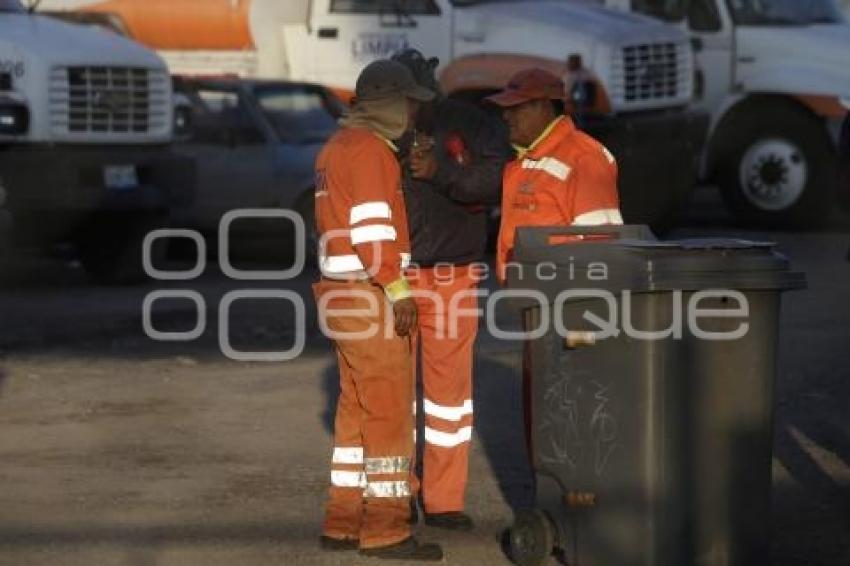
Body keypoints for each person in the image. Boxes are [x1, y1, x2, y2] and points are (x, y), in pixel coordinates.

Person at [313, 59, 443, 561]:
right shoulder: (371, 152)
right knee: (388, 411)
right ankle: (387, 530)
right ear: (388, 104)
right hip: (370, 296)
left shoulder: (334, 148)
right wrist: (398, 289)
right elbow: (373, 234)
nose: (413, 112)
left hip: (339, 294)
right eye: (409, 102)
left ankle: (342, 522)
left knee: (355, 413)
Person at [390, 48, 512, 530]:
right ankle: (394, 495)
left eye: (409, 99)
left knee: (448, 402)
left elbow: (496, 179)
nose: (404, 109)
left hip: (453, 276)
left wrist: (440, 171)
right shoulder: (377, 135)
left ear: (426, 92)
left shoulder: (471, 124)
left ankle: (443, 502)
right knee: (394, 395)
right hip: (396, 277)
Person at [485, 68, 623, 282]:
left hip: (566, 299)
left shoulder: (583, 158)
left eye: (515, 107)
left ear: (543, 106)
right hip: (535, 296)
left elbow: (602, 244)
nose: (505, 115)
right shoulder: (527, 160)